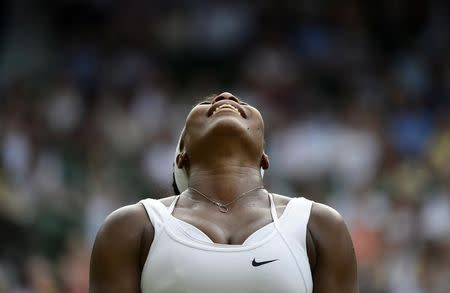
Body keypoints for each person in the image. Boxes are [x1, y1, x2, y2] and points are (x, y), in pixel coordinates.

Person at [89, 92, 358, 293]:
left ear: (264, 157)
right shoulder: (131, 227)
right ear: (181, 155)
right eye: (205, 105)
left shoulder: (319, 224)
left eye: (241, 102)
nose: (226, 97)